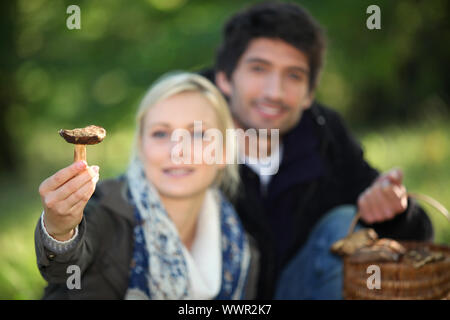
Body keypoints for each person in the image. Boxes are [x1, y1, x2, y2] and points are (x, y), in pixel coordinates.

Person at [200, 2, 433, 299]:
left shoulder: (323, 136)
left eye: (294, 76)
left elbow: (419, 241)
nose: (275, 92)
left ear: (309, 94)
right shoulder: (184, 126)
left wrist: (395, 212)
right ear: (225, 79)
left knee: (342, 224)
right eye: (259, 69)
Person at [35, 72, 259, 299]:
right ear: (141, 147)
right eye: (161, 133)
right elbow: (62, 272)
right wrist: (61, 231)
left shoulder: (241, 249)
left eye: (198, 134)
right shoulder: (101, 209)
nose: (177, 151)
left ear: (222, 152)